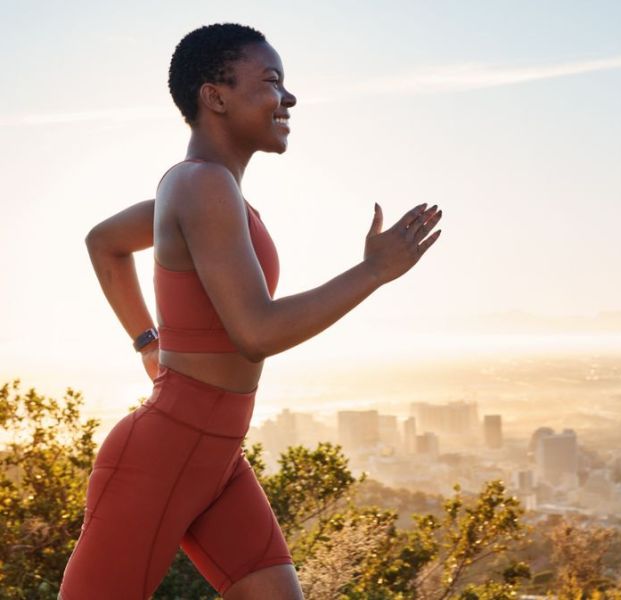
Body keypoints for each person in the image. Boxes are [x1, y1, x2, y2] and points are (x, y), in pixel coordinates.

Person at [59, 22, 442, 600]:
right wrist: (373, 272)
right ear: (215, 96)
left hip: (215, 457)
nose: (288, 99)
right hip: (166, 453)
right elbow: (254, 331)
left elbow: (103, 242)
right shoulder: (203, 184)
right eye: (270, 82)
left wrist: (148, 343)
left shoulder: (206, 190)